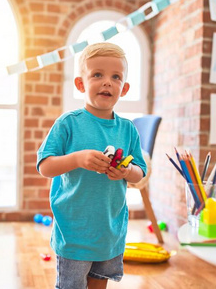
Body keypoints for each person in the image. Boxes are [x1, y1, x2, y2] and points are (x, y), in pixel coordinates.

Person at [36, 42, 147, 289]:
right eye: (97, 74)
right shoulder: (68, 123)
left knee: (99, 283)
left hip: (109, 230)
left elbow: (140, 172)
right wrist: (77, 159)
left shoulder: (128, 129)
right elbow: (45, 166)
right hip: (74, 230)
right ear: (80, 84)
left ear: (124, 88)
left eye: (115, 77)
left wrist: (126, 172)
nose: (107, 82)